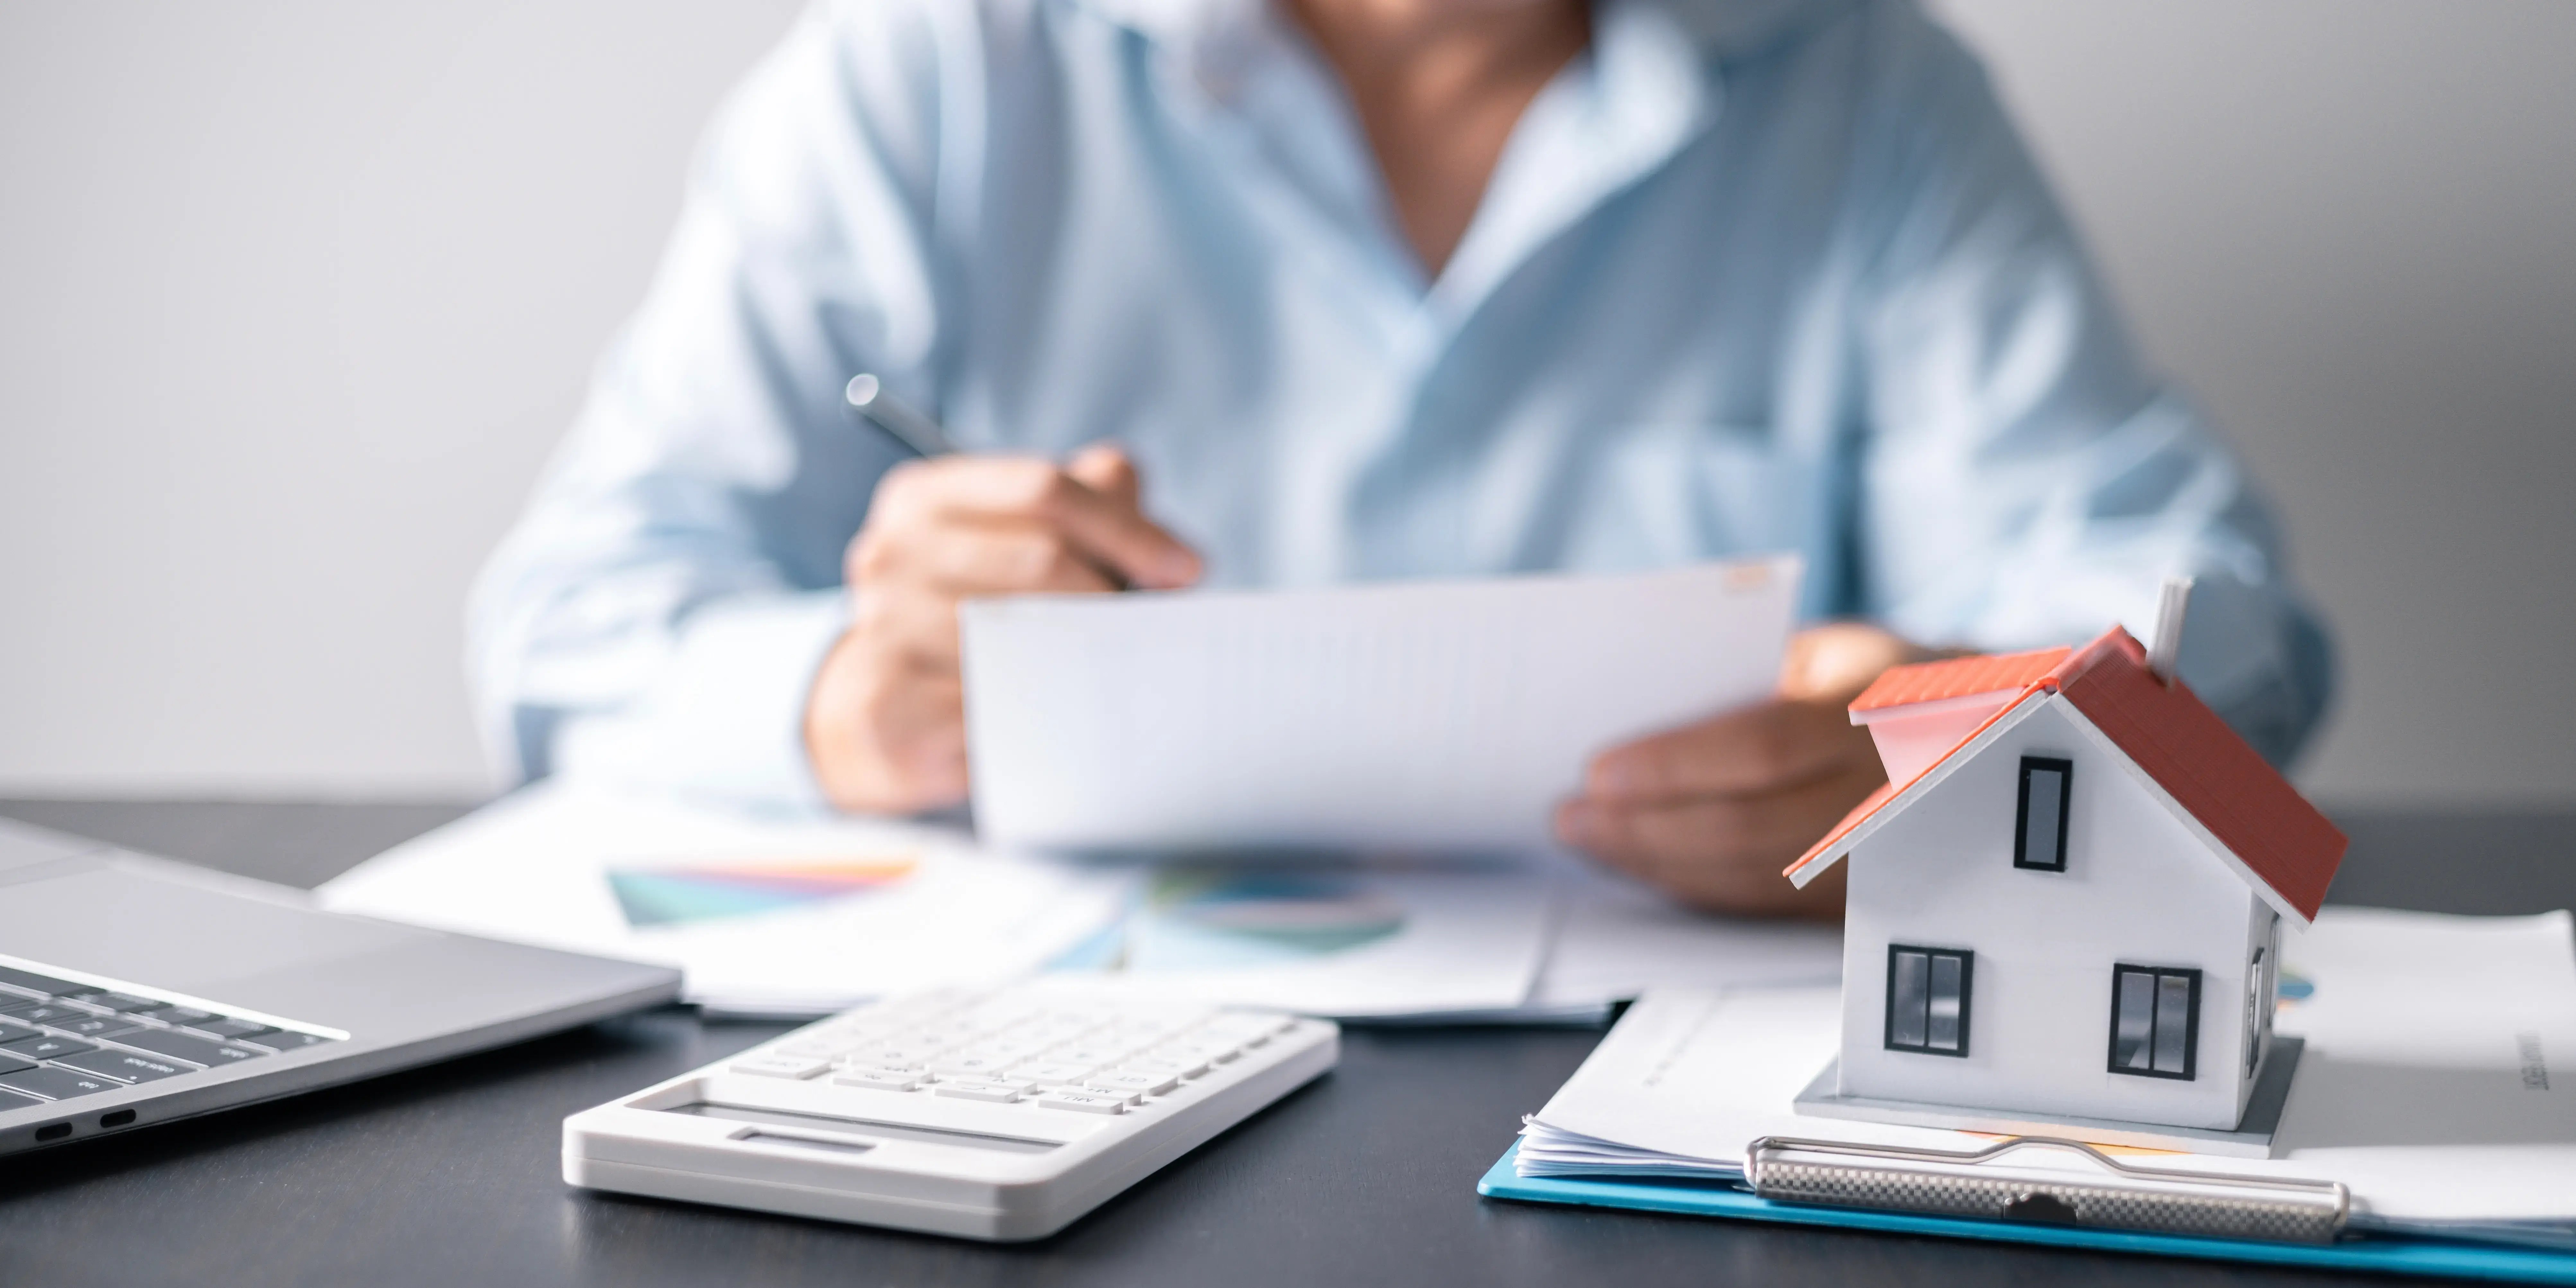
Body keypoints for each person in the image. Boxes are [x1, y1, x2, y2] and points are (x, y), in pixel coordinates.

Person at [469, 0, 2332, 918]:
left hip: (1668, 1119)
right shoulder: (936, 70)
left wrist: (1939, 752)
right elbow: (569, 624)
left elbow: (2219, 628)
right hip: (1024, 1087)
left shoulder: (1866, 95)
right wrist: (839, 704)